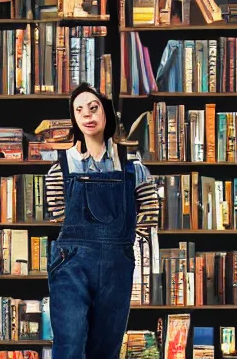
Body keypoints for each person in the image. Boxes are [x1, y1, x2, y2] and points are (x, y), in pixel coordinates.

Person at [44, 83, 160, 358]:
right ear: (74, 118)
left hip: (116, 265)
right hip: (71, 263)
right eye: (79, 110)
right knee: (69, 346)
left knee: (106, 349)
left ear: (106, 113)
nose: (87, 115)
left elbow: (150, 213)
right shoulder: (59, 168)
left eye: (93, 108)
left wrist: (124, 247)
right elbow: (59, 215)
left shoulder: (133, 165)